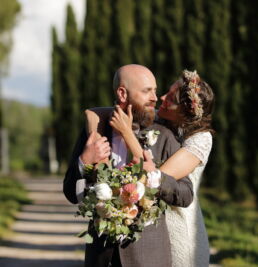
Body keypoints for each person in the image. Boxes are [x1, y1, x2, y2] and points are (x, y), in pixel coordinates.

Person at [63, 64, 194, 267]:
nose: (154, 97)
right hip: (101, 257)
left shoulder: (163, 136)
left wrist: (157, 178)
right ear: (122, 93)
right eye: (146, 91)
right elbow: (70, 192)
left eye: (155, 90)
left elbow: (186, 194)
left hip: (150, 258)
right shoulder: (95, 133)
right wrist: (84, 162)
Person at [110, 69, 214, 267]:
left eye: (171, 98)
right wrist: (91, 117)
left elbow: (155, 176)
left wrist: (127, 134)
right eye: (168, 91)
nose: (161, 97)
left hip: (179, 228)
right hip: (155, 228)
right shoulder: (158, 120)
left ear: (185, 112)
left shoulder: (200, 139)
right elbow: (115, 109)